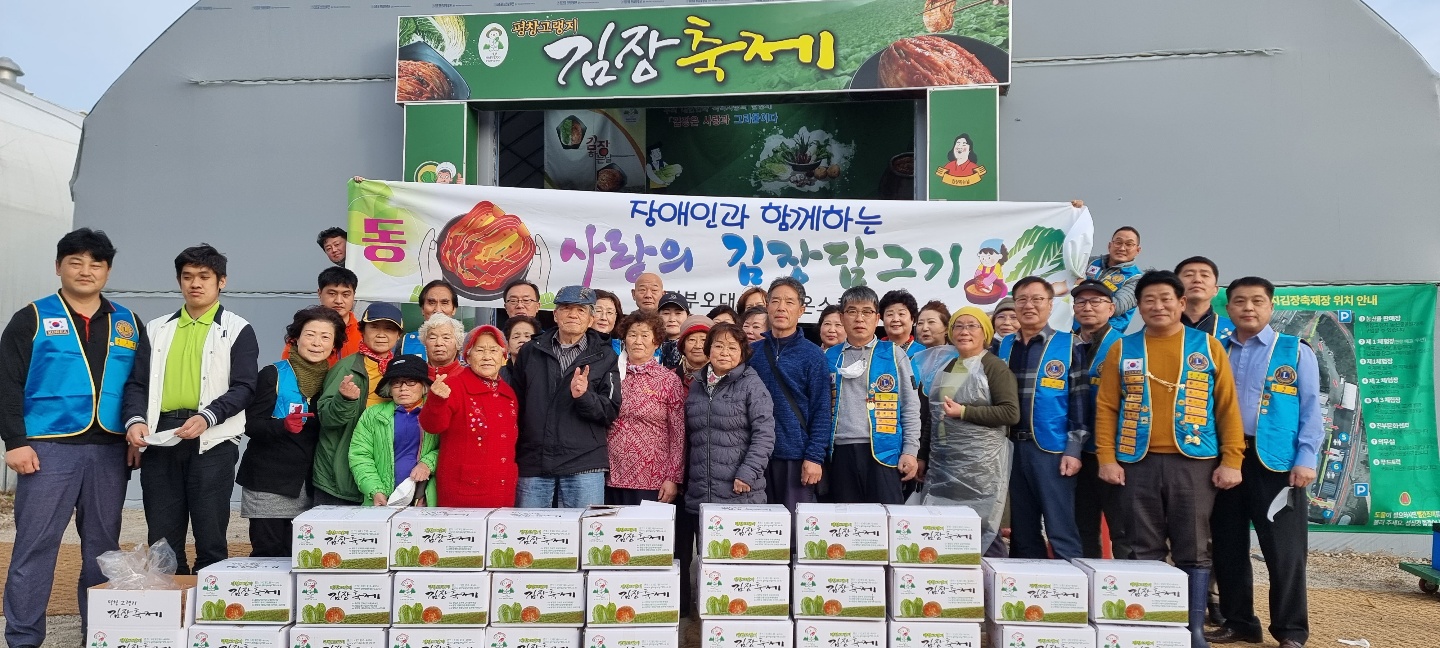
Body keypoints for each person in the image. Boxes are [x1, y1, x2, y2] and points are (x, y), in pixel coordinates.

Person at [1, 229, 143, 647]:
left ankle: (98, 634)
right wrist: (14, 441)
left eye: (96, 263)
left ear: (108, 271)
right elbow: (7, 382)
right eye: (75, 262)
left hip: (110, 451)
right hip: (47, 449)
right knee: (35, 547)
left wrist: (134, 433)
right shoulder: (32, 317)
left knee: (103, 551)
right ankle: (23, 638)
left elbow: (138, 385)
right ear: (58, 266)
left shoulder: (128, 322)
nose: (86, 270)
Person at [1095, 270, 1245, 647]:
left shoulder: (1208, 347)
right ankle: (1149, 628)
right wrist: (1107, 458)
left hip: (1194, 464)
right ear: (1139, 306)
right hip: (1136, 462)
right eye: (1149, 300)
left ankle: (1192, 630)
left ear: (1181, 303)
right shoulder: (1123, 348)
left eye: (1166, 299)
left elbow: (1227, 408)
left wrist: (1232, 460)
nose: (1158, 306)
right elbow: (1107, 407)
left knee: (1193, 547)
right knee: (1141, 548)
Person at [124, 244, 259, 574]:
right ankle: (169, 601)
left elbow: (245, 387)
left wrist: (208, 416)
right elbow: (137, 383)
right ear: (179, 281)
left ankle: (208, 603)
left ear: (222, 281)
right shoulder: (156, 328)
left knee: (210, 535)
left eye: (204, 276)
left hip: (214, 440)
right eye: (187, 277)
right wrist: (135, 421)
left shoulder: (238, 328)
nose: (195, 283)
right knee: (162, 538)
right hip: (161, 438)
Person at [1207, 277, 1320, 648]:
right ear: (1228, 308)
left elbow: (1311, 408)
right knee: (1228, 546)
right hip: (1226, 459)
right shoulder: (1216, 349)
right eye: (1239, 301)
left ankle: (1290, 631)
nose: (1248, 308)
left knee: (1285, 552)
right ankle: (1240, 623)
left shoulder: (1295, 351)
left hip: (1278, 464)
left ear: (1271, 307)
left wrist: (1306, 458)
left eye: (1257, 301)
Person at [681, 322, 776, 614]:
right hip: (701, 489)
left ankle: (738, 618)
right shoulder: (697, 385)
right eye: (718, 346)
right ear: (708, 350)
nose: (724, 352)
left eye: (732, 347)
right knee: (709, 562)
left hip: (740, 491)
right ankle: (710, 619)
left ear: (743, 353)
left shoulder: (751, 384)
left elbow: (765, 434)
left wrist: (748, 473)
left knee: (738, 561)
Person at [238, 306, 345, 557]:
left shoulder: (334, 381)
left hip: (312, 485)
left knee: (303, 556)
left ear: (334, 345)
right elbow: (250, 424)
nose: (317, 343)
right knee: (269, 553)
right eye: (310, 335)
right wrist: (282, 425)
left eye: (325, 337)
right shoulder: (273, 374)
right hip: (269, 482)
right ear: (295, 338)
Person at [992, 277, 1085, 560]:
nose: (1028, 305)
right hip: (1010, 448)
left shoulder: (1069, 344)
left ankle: (1070, 585)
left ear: (1050, 305)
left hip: (1052, 449)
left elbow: (1080, 402)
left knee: (1060, 527)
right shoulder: (1003, 346)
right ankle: (1029, 584)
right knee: (1022, 529)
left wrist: (1074, 449)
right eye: (1022, 299)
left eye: (1037, 299)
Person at [913, 307, 1020, 552]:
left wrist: (964, 412)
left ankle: (991, 573)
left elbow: (1010, 413)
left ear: (986, 333)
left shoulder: (994, 367)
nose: (964, 332)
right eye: (959, 326)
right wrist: (922, 455)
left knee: (983, 529)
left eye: (972, 326)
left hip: (982, 467)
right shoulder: (949, 366)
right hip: (945, 462)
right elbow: (936, 414)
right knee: (946, 530)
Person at [510, 285, 622, 508]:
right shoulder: (531, 351)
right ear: (555, 315)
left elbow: (610, 410)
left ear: (590, 319)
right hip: (534, 460)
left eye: (581, 310)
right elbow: (516, 405)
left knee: (586, 528)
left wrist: (584, 396)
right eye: (566, 308)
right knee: (528, 528)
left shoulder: (605, 356)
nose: (573, 314)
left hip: (584, 463)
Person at [825, 286, 921, 504]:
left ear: (877, 318)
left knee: (886, 517)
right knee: (844, 519)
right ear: (842, 317)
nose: (859, 318)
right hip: (839, 453)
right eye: (852, 311)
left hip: (884, 451)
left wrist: (910, 451)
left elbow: (910, 406)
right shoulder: (829, 357)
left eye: (867, 312)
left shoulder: (893, 354)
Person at [749, 277, 833, 511]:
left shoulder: (813, 355)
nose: (781, 308)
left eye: (789, 302)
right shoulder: (752, 352)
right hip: (756, 456)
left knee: (795, 527)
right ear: (767, 306)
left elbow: (821, 410)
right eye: (775, 301)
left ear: (801, 310)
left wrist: (814, 457)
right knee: (760, 526)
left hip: (796, 457)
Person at [313, 303, 405, 505]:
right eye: (374, 327)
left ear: (399, 335)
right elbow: (325, 418)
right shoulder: (346, 368)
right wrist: (344, 400)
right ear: (362, 330)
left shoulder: (400, 371)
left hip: (380, 473)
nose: (381, 334)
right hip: (340, 476)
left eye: (389, 329)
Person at [421, 326, 521, 507]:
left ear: (503, 357)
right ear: (467, 356)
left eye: (493, 350)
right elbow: (432, 426)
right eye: (480, 350)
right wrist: (435, 400)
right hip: (464, 492)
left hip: (503, 490)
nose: (487, 357)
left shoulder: (508, 393)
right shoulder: (453, 385)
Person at [1069, 280, 1129, 560]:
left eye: (1096, 301)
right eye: (1081, 302)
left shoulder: (1125, 345)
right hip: (1074, 451)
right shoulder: (1063, 344)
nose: (1088, 307)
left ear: (1111, 308)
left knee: (1123, 527)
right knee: (1081, 525)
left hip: (1114, 451)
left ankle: (1129, 581)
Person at [606, 312, 686, 505]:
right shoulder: (611, 375)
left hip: (653, 478)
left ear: (656, 342)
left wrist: (673, 477)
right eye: (632, 335)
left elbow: (678, 434)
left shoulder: (668, 380)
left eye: (645, 335)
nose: (638, 341)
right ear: (624, 339)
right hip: (610, 474)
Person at [348, 355, 438, 507]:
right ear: (389, 388)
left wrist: (427, 463)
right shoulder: (372, 415)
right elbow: (360, 456)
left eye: (411, 382)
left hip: (425, 499)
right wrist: (375, 490)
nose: (403, 388)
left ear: (423, 386)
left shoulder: (436, 413)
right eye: (396, 383)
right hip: (382, 500)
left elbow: (451, 447)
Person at [284, 267, 361, 364]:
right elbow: (287, 368)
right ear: (319, 293)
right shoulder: (303, 330)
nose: (339, 301)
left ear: (354, 295)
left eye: (345, 295)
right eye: (332, 294)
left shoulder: (363, 333)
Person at [1075, 227, 1143, 331]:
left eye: (1129, 244)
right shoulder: (1090, 262)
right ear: (1109, 245)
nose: (1122, 248)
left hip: (1105, 334)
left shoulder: (1136, 279)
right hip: (1071, 327)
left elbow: (1116, 307)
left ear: (1138, 250)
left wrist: (1081, 288)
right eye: (1118, 242)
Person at [1177, 256, 1235, 343]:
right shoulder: (1159, 328)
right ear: (1176, 287)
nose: (1197, 280)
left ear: (1216, 290)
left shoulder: (1235, 331)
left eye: (1205, 275)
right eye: (1189, 275)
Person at [399, 280, 458, 358]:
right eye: (432, 303)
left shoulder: (467, 343)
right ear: (422, 309)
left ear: (454, 309)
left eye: (444, 303)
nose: (438, 310)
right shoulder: (405, 343)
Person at [419, 313, 466, 381]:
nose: (439, 343)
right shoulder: (415, 377)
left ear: (458, 343)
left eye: (446, 338)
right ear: (424, 342)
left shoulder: (468, 377)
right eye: (432, 338)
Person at [879, 289, 923, 358]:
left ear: (912, 319)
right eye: (890, 314)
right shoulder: (874, 351)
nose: (895, 319)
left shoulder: (923, 352)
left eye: (901, 314)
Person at [675, 315, 714, 387]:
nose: (698, 346)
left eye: (704, 340)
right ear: (683, 346)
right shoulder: (669, 378)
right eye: (692, 340)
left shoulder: (722, 377)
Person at [656, 291, 690, 368]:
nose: (672, 319)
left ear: (688, 316)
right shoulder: (650, 345)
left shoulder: (693, 346)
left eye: (678, 313)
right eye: (666, 313)